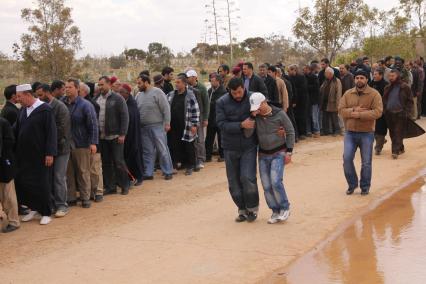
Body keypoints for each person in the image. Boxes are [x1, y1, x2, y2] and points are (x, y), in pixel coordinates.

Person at [246, 93, 295, 224]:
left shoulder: (279, 114)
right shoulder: (255, 117)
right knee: (266, 184)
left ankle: (285, 208)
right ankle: (275, 210)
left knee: (275, 181)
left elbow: (290, 131)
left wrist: (289, 152)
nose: (257, 109)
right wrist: (252, 117)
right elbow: (248, 133)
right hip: (262, 154)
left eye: (258, 106)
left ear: (264, 102)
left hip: (279, 152)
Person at [216, 77, 259, 222]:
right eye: (234, 93)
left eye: (240, 92)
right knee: (233, 182)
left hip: (249, 145)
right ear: (229, 91)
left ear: (243, 87)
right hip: (230, 147)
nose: (238, 95)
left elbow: (266, 113)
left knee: (247, 178)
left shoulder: (253, 97)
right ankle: (242, 209)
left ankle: (252, 209)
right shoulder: (221, 102)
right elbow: (221, 124)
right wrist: (241, 125)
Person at [14, 83, 57, 225]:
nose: (17, 99)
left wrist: (50, 153)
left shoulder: (45, 109)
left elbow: (51, 133)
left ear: (27, 94)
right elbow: (17, 129)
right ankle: (33, 208)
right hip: (25, 156)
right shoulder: (22, 110)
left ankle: (46, 212)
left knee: (42, 183)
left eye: (19, 96)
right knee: (27, 183)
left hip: (41, 155)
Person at [338, 70, 383, 195]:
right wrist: (352, 109)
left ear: (367, 79)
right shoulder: (348, 93)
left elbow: (378, 112)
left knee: (366, 162)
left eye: (362, 77)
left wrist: (359, 115)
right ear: (354, 79)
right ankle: (352, 184)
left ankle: (365, 187)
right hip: (350, 133)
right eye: (357, 77)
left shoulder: (374, 94)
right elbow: (340, 110)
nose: (359, 80)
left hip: (367, 133)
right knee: (347, 159)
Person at [35, 84, 71, 217]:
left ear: (47, 93)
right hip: (48, 149)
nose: (38, 98)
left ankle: (62, 205)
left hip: (61, 149)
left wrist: (49, 143)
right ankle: (51, 204)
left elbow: (62, 129)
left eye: (40, 95)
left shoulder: (60, 107)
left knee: (59, 177)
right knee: (48, 178)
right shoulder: (41, 107)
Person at [64, 79, 98, 208]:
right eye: (66, 87)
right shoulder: (63, 104)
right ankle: (71, 197)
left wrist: (93, 143)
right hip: (67, 144)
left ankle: (85, 197)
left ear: (77, 88)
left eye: (70, 87)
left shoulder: (85, 105)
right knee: (68, 172)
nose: (67, 89)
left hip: (82, 143)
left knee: (83, 172)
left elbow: (93, 125)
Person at [96, 76, 130, 195]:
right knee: (106, 163)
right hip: (102, 138)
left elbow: (125, 117)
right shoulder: (97, 99)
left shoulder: (117, 98)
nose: (100, 87)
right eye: (99, 85)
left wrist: (122, 134)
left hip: (116, 136)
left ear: (109, 84)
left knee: (119, 161)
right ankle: (111, 187)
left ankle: (125, 185)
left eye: (102, 84)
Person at [136, 74, 174, 180]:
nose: (138, 86)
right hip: (143, 128)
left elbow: (166, 108)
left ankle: (168, 171)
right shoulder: (139, 95)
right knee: (147, 151)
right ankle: (148, 173)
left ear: (146, 82)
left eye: (139, 83)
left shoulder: (157, 92)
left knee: (162, 149)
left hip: (157, 126)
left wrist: (167, 123)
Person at [167, 74, 200, 176]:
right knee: (175, 145)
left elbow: (195, 110)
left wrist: (194, 125)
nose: (176, 84)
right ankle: (178, 163)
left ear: (184, 84)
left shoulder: (190, 94)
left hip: (186, 125)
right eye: (175, 82)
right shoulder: (171, 94)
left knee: (188, 145)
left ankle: (190, 165)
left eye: (178, 82)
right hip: (173, 126)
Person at [79, 82, 104, 202]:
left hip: (93, 140)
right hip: (82, 142)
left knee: (95, 168)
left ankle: (98, 191)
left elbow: (93, 126)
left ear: (84, 92)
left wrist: (93, 142)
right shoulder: (76, 104)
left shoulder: (92, 104)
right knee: (85, 169)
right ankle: (88, 192)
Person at [383, 70, 415, 159]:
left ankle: (395, 151)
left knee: (398, 132)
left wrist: (407, 113)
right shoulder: (387, 87)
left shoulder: (405, 87)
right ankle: (400, 148)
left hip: (400, 113)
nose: (390, 78)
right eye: (389, 76)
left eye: (392, 76)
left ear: (398, 76)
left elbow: (410, 101)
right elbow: (384, 100)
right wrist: (384, 110)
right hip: (389, 113)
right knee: (392, 133)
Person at [118, 83, 143, 186]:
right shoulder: (124, 102)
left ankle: (139, 177)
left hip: (133, 135)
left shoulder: (131, 105)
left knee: (134, 155)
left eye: (121, 92)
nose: (119, 94)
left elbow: (131, 118)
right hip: (127, 135)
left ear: (127, 93)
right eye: (118, 92)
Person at [0, 116, 20, 233]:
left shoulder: (3, 123)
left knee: (8, 194)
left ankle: (14, 221)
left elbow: (10, 141)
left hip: (4, 164)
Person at [186, 70, 209, 169]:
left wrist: (205, 118)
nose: (187, 79)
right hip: (189, 117)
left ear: (194, 77)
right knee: (191, 138)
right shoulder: (186, 87)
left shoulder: (202, 88)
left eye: (189, 77)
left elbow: (206, 103)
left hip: (200, 117)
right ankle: (193, 158)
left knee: (200, 139)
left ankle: (201, 158)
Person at [205, 72, 227, 162]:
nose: (211, 83)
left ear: (218, 81)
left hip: (219, 118)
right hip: (210, 118)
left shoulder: (223, 91)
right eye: (211, 81)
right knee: (209, 138)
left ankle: (223, 156)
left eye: (213, 81)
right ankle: (207, 156)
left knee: (221, 138)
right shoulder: (209, 91)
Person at [369, 69, 388, 155]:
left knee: (380, 129)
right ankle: (381, 141)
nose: (374, 76)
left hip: (382, 110)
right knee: (372, 129)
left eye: (376, 74)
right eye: (373, 74)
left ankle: (378, 148)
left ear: (381, 75)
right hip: (371, 110)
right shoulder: (371, 84)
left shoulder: (386, 85)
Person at [288, 64, 309, 139]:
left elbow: (303, 89)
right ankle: (298, 133)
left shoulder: (301, 77)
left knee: (302, 117)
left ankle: (303, 133)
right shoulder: (289, 78)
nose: (288, 72)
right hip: (294, 101)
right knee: (295, 117)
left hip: (302, 101)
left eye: (290, 70)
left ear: (294, 70)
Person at [320, 67, 342, 136]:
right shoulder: (326, 80)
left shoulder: (337, 81)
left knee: (334, 117)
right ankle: (325, 131)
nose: (324, 74)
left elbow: (338, 93)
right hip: (325, 102)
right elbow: (321, 88)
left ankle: (337, 130)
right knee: (325, 117)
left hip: (333, 102)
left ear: (330, 74)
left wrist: (338, 104)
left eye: (326, 73)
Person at [304, 65, 321, 138]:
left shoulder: (314, 77)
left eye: (304, 69)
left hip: (314, 100)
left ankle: (317, 131)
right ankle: (309, 131)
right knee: (308, 116)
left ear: (308, 69)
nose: (303, 71)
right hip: (308, 100)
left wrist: (306, 86)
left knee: (314, 117)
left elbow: (316, 87)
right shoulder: (304, 77)